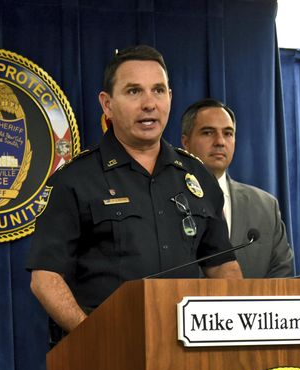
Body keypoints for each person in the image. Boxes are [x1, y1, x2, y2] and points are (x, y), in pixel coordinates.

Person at [27, 46, 242, 336]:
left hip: (189, 353)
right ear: (107, 105)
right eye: (133, 92)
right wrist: (93, 337)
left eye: (158, 90)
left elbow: (223, 267)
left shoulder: (196, 175)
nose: (149, 104)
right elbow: (45, 279)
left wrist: (228, 331)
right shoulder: (75, 180)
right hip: (108, 354)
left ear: (170, 97)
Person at [180, 98, 294, 278]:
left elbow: (282, 274)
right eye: (208, 133)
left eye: (228, 133)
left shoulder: (266, 206)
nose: (220, 141)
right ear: (186, 143)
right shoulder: (169, 198)